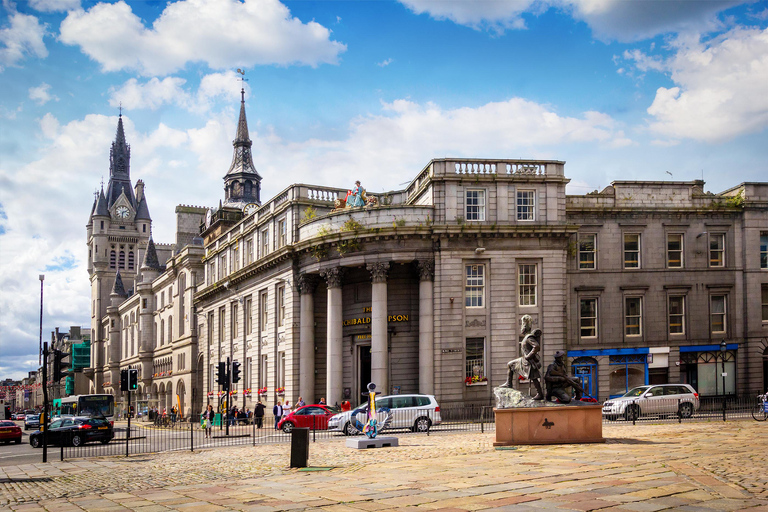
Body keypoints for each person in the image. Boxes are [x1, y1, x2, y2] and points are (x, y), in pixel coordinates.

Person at [501, 315, 544, 400]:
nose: (521, 329)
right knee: (510, 364)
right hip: (523, 360)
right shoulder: (525, 337)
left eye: (522, 327)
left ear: (524, 328)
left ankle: (540, 394)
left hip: (529, 361)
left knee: (534, 377)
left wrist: (529, 356)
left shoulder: (529, 337)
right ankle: (509, 383)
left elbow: (537, 347)